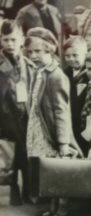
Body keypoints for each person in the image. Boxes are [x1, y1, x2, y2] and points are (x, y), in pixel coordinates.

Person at [24, 27, 82, 216]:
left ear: (49, 49)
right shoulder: (39, 72)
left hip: (52, 134)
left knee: (60, 172)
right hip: (40, 131)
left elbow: (61, 111)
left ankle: (62, 210)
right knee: (50, 173)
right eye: (30, 52)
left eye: (38, 51)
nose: (33, 56)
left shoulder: (56, 76)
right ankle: (53, 208)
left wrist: (63, 142)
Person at [0, 20, 36, 205]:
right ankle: (12, 191)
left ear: (22, 40)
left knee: (26, 155)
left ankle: (29, 191)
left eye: (13, 39)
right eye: (5, 40)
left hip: (26, 117)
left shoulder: (29, 65)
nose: (10, 44)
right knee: (10, 159)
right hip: (6, 121)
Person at [63, 36, 89, 155]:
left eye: (75, 55)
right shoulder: (65, 73)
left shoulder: (90, 73)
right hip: (69, 117)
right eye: (67, 56)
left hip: (84, 120)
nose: (71, 59)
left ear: (85, 54)